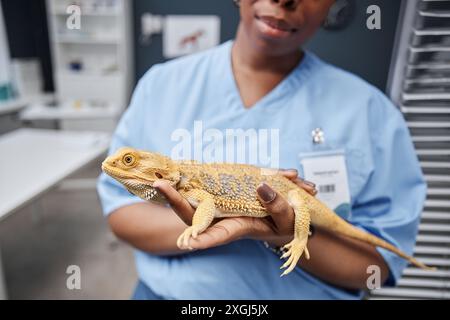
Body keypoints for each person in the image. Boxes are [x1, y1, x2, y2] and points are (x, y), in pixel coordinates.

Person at [97, 0, 426, 299]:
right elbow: (120, 212)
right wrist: (221, 222)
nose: (284, 0)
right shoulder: (161, 84)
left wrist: (286, 236)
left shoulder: (370, 111)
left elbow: (377, 268)